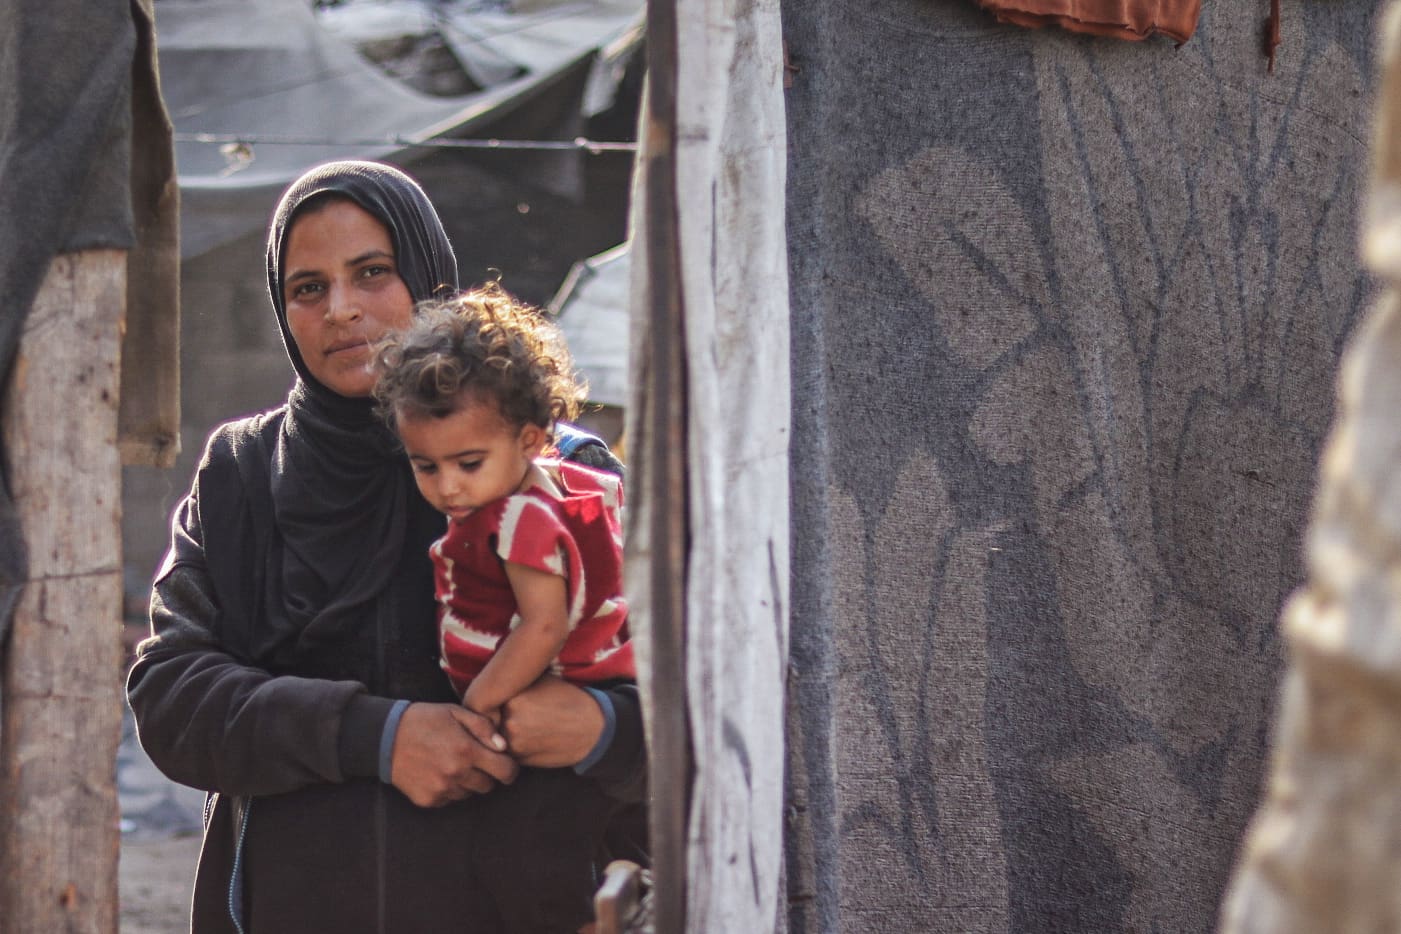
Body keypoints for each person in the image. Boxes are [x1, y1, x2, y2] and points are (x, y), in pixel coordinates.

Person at [126, 160, 644, 934]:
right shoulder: (241, 472)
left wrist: (601, 728)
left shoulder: (552, 471)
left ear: (429, 280)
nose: (341, 309)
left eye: (372, 272)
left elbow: (687, 690)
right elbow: (171, 693)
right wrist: (376, 736)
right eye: (308, 288)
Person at [373, 288, 636, 723]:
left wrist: (479, 704)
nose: (448, 487)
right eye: (426, 467)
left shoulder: (521, 519)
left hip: (532, 703)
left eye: (469, 464)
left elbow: (544, 626)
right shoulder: (536, 491)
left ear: (530, 440)